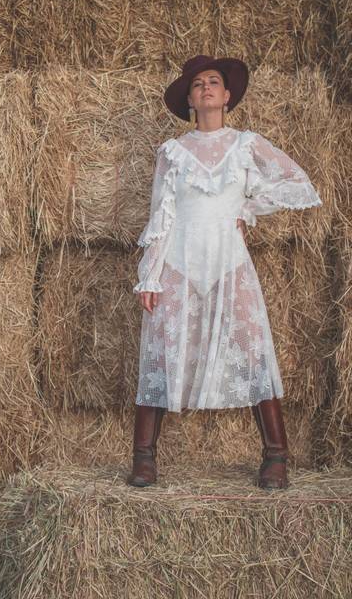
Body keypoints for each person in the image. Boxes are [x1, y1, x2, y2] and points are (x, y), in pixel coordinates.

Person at [128, 55, 323, 490]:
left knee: (253, 350)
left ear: (228, 96)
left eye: (214, 82)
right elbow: (161, 215)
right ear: (191, 101)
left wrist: (250, 209)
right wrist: (151, 275)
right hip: (179, 262)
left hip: (229, 263)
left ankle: (276, 457)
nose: (206, 88)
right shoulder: (172, 152)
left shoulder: (247, 145)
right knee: (161, 351)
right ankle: (144, 458)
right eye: (198, 85)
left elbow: (298, 182)